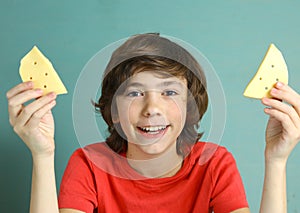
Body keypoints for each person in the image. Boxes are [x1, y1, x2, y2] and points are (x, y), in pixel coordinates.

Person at [6, 33, 300, 213]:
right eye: (135, 93)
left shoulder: (215, 164)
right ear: (115, 111)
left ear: (188, 107)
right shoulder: (89, 164)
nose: (152, 108)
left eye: (169, 92)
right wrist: (42, 155)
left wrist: (276, 161)